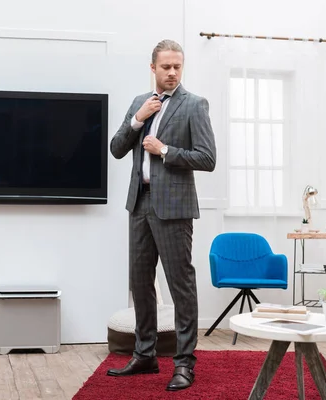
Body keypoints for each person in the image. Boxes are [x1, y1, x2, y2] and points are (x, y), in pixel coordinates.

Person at [106, 39, 217, 391]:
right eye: (166, 66)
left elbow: (207, 158)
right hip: (139, 205)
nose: (172, 72)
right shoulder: (140, 104)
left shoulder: (195, 105)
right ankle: (145, 354)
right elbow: (116, 149)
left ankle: (184, 363)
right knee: (140, 283)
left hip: (174, 209)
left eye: (177, 67)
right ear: (152, 67)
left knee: (180, 286)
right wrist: (138, 121)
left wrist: (165, 149)